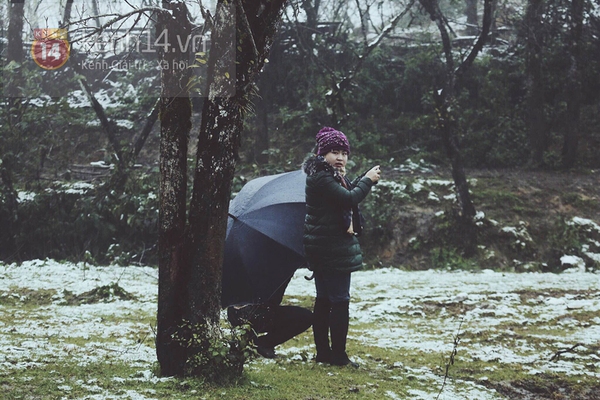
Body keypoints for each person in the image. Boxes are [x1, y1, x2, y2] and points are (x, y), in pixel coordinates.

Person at [302, 126, 381, 367]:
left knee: (325, 301)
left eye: (344, 152)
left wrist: (359, 181)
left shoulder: (328, 176)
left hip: (323, 247)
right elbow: (349, 198)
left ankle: (324, 354)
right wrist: (367, 181)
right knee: (339, 302)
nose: (340, 157)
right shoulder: (322, 177)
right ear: (322, 153)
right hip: (332, 249)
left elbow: (345, 193)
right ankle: (338, 356)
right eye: (334, 152)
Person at [227, 276, 313, 359]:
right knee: (305, 317)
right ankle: (253, 343)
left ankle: (258, 343)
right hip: (245, 310)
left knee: (305, 317)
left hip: (254, 310)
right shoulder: (273, 268)